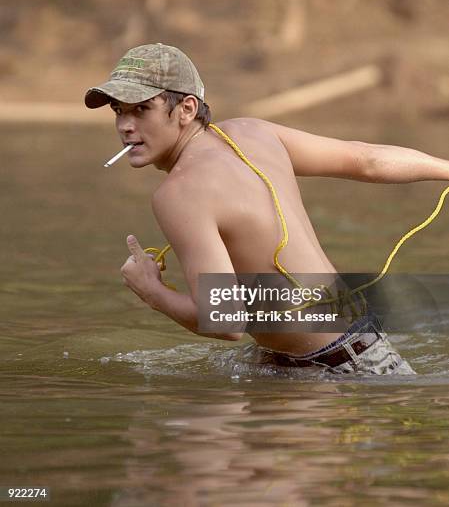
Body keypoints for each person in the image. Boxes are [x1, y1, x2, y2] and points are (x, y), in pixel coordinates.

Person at [84, 42, 446, 375]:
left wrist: (152, 292)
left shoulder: (178, 193)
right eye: (119, 111)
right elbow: (367, 160)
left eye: (142, 109)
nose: (125, 126)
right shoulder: (252, 132)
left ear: (187, 108)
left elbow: (227, 323)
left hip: (332, 368)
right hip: (358, 343)